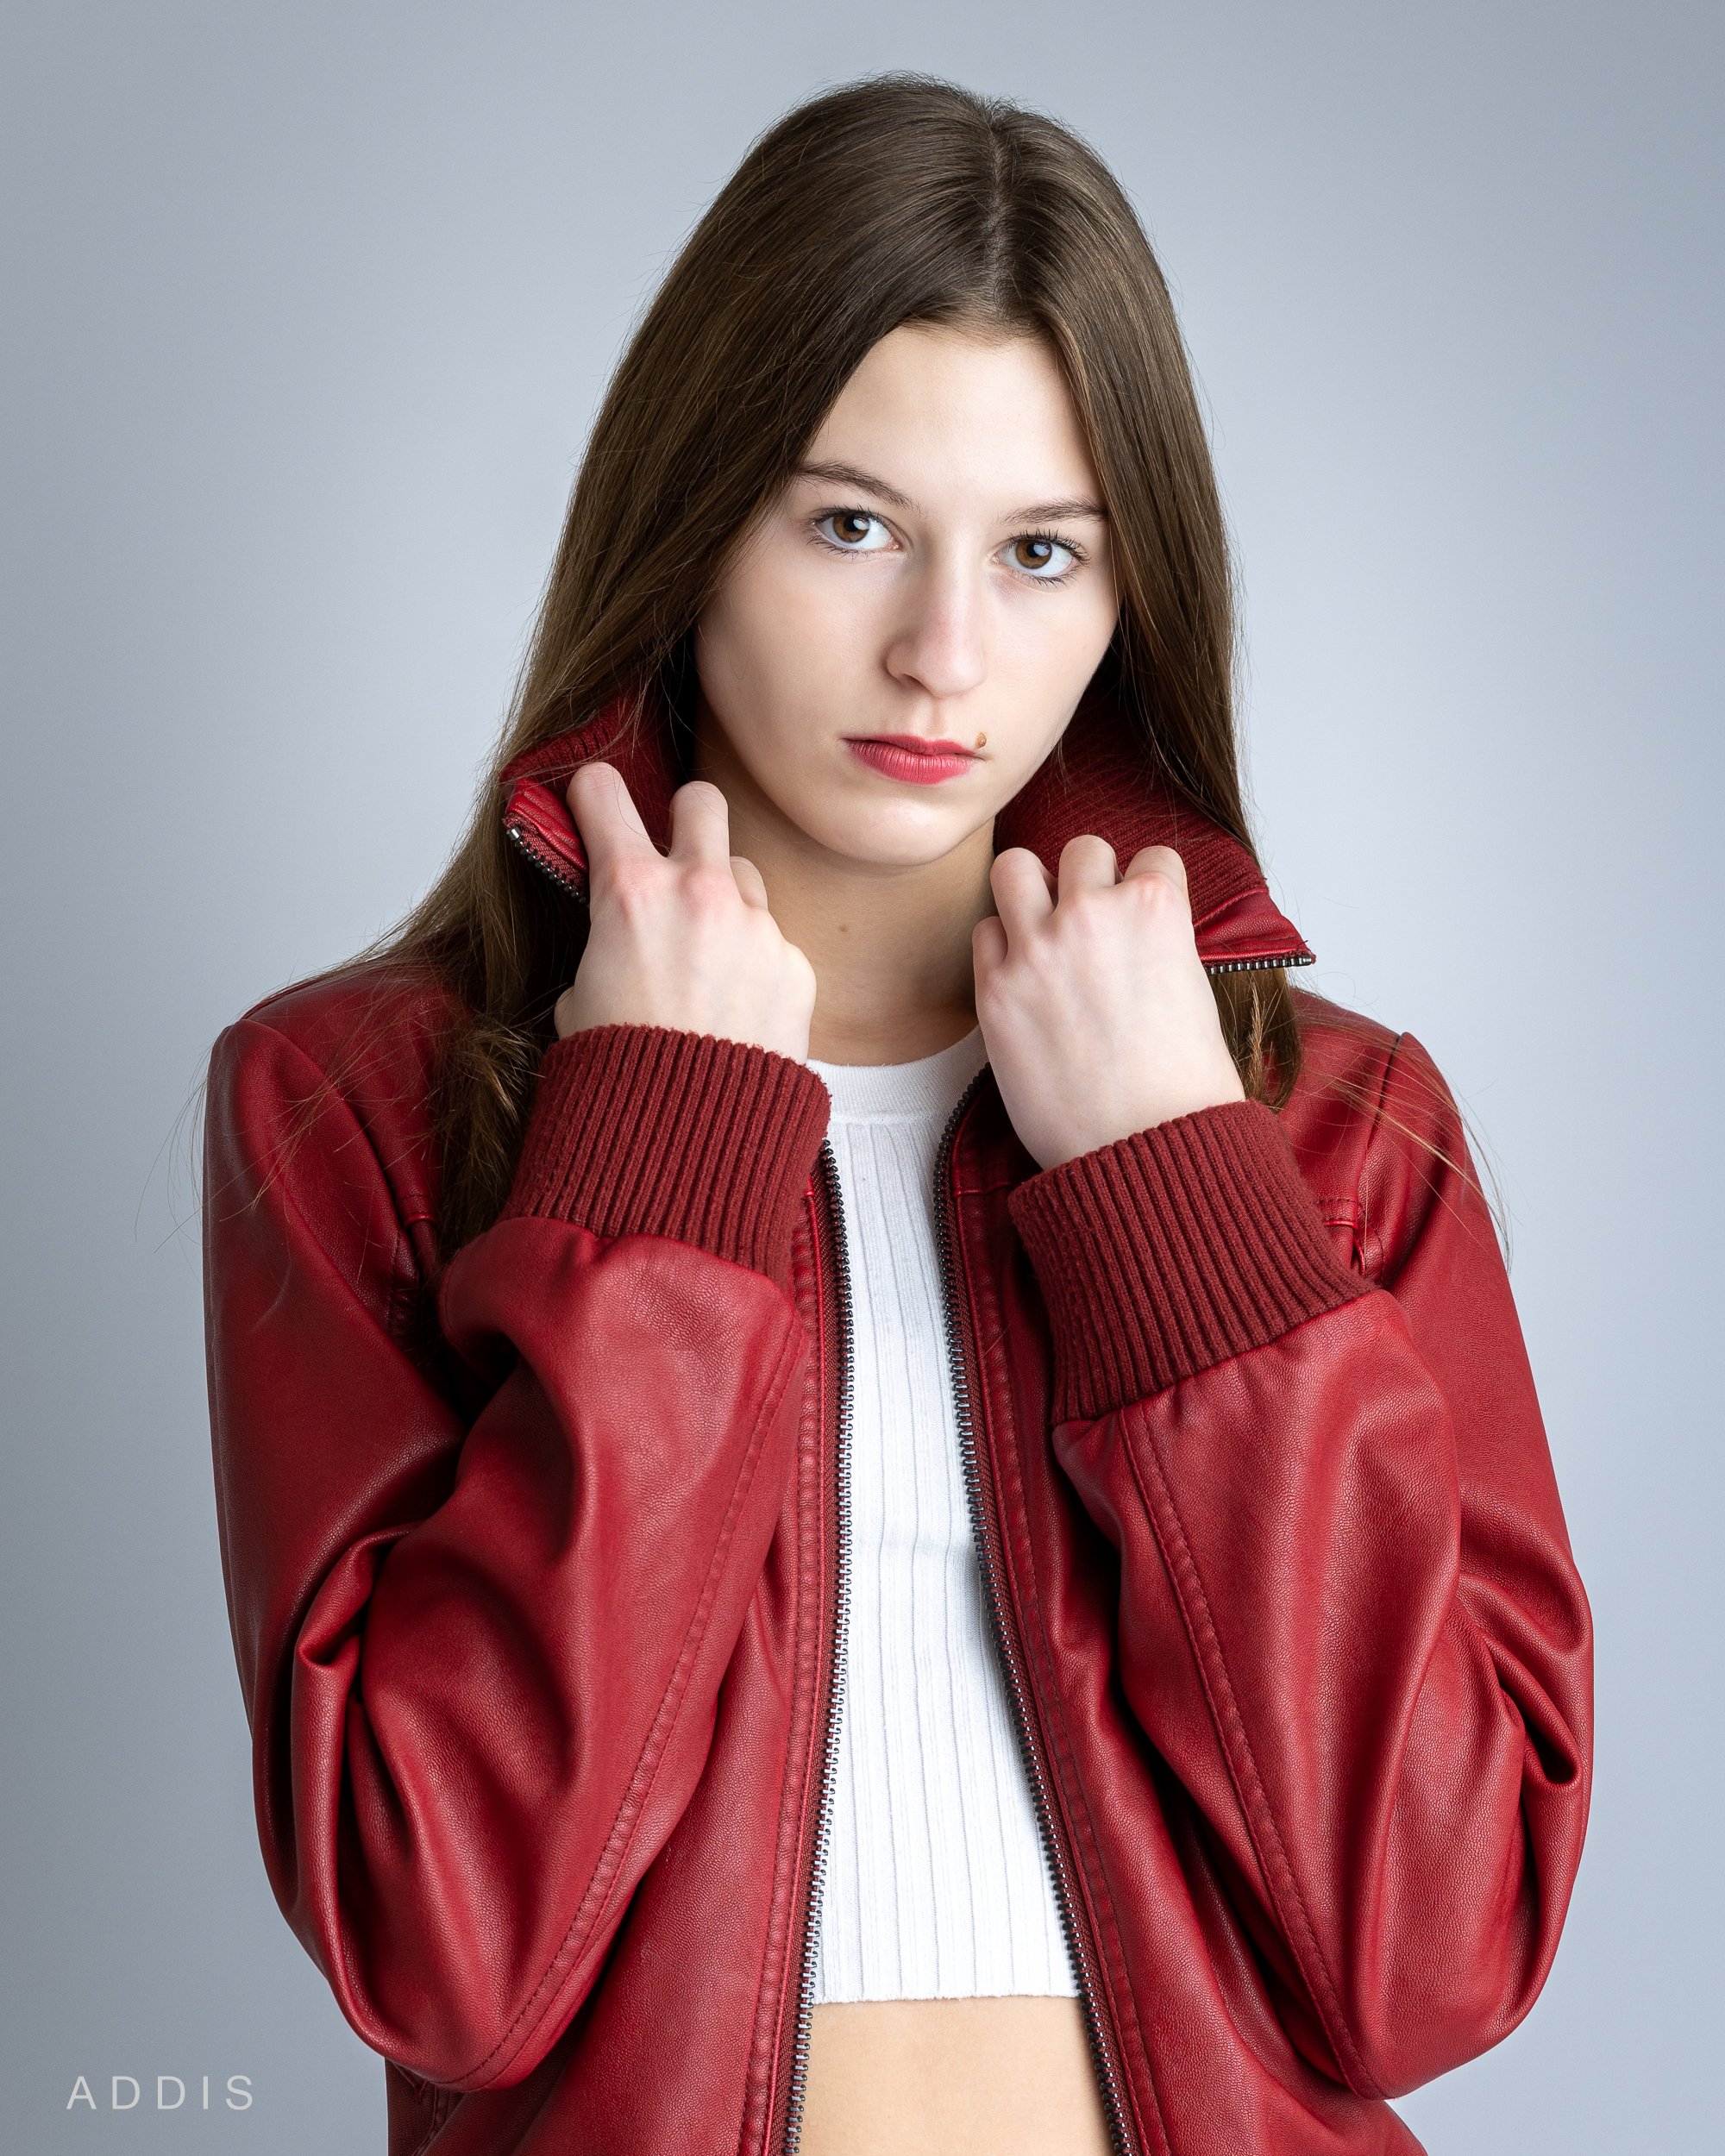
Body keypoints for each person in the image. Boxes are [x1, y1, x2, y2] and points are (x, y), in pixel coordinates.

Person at [200, 73, 1593, 2156]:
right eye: (848, 522)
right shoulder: (359, 1102)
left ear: (1132, 600)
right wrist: (656, 1139)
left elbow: (1431, 1953)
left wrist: (1173, 1192)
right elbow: (449, 1956)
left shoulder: (1330, 1127)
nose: (944, 652)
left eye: (1042, 552)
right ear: (691, 521)